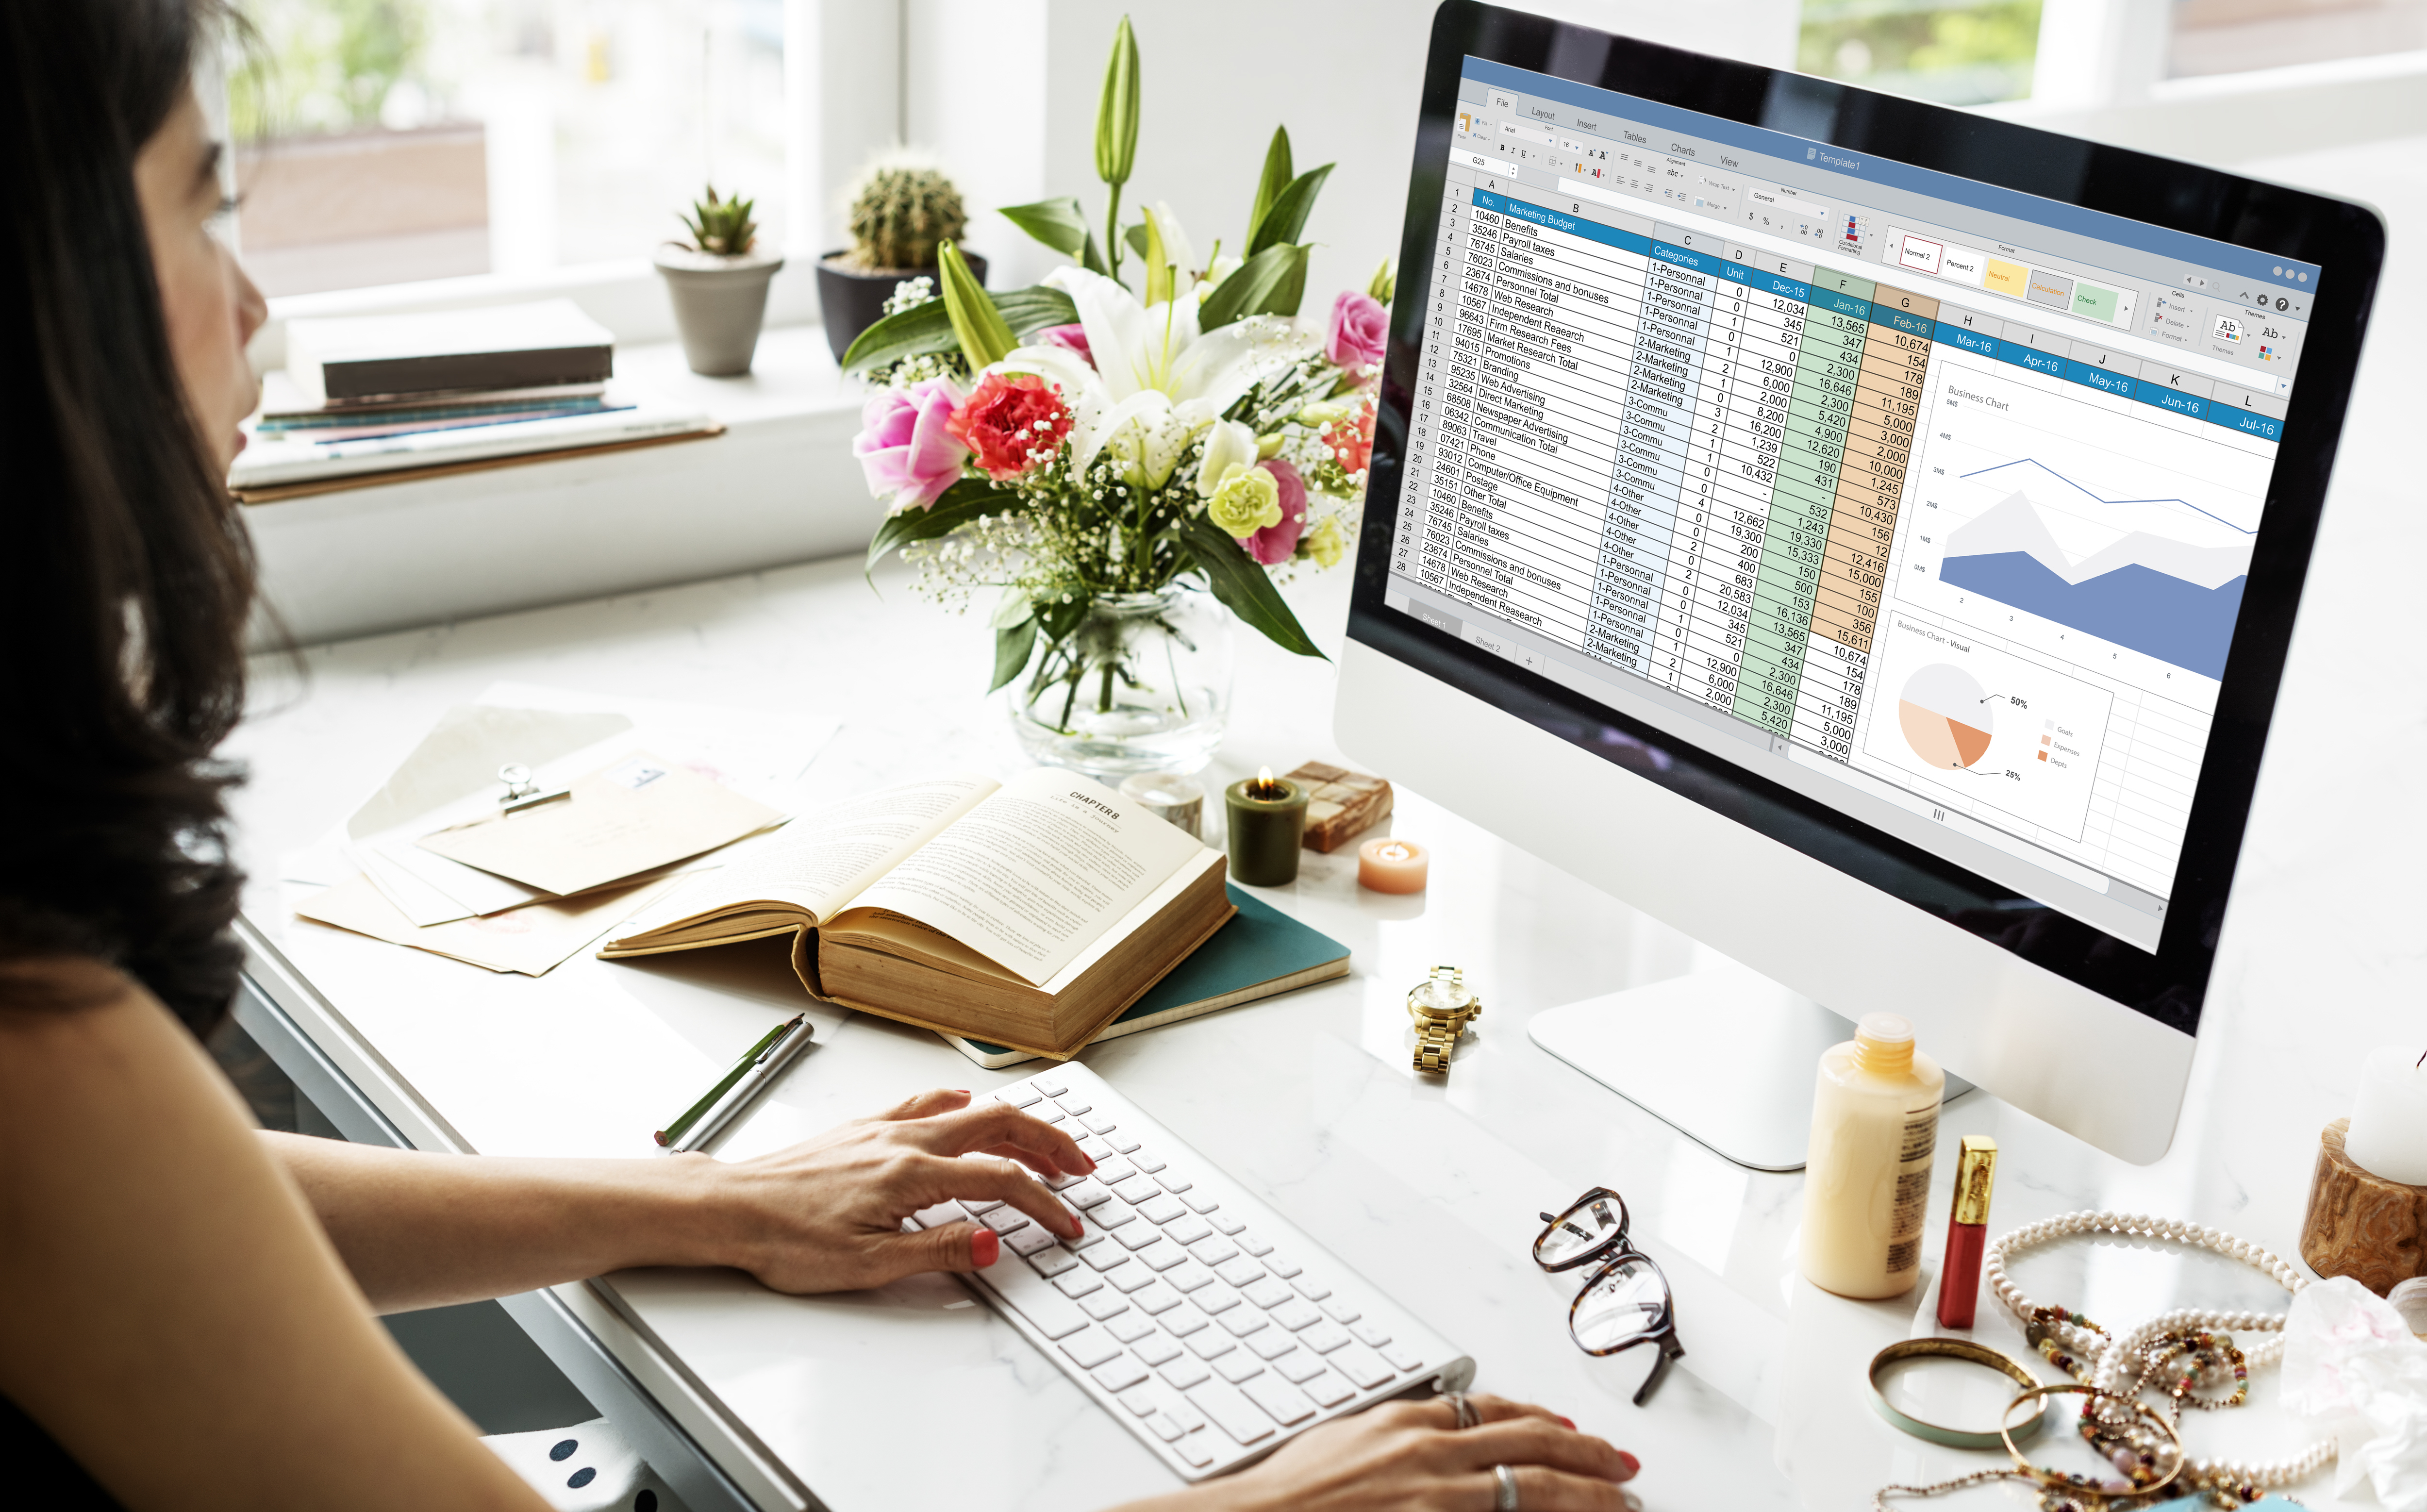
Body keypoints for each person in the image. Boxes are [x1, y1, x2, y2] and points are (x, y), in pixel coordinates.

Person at [0, 3, 1647, 1509]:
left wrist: (711, 1202)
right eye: (206, 206)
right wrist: (1257, 1504)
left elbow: (172, 1209)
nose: (259, 309)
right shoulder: (38, 1041)